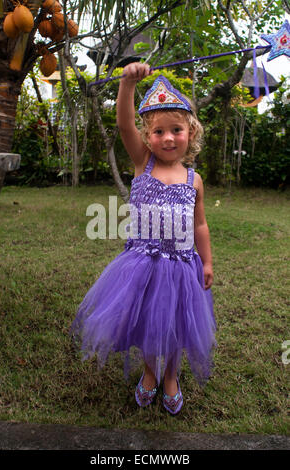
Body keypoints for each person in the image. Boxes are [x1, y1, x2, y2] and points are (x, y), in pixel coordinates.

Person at [70, 62, 216, 415]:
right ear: (148, 137)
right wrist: (126, 84)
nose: (168, 138)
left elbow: (200, 224)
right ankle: (150, 371)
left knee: (178, 326)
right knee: (151, 324)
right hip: (143, 266)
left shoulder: (193, 179)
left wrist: (207, 261)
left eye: (176, 130)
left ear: (190, 133)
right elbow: (122, 123)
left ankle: (171, 375)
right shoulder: (143, 163)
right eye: (159, 131)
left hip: (182, 267)